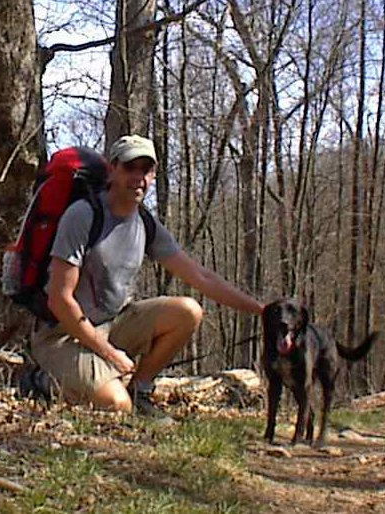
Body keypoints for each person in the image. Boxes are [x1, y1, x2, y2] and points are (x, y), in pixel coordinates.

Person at [30, 134, 265, 418]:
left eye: (147, 169)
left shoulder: (145, 223)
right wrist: (109, 353)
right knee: (116, 406)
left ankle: (140, 389)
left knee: (187, 311)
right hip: (63, 335)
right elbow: (59, 299)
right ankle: (40, 381)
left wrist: (261, 310)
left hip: (114, 324)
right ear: (113, 169)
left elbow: (201, 277)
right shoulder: (83, 215)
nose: (139, 177)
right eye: (131, 167)